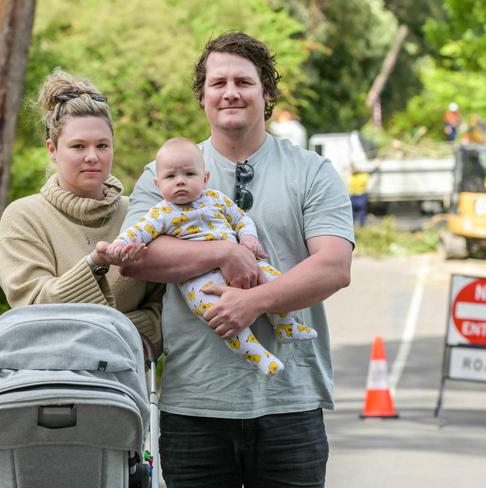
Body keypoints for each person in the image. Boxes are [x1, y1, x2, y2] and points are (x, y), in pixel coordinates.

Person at [108, 32, 353, 487]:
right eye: (218, 82)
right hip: (195, 406)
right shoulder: (166, 171)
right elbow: (136, 258)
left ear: (266, 92)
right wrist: (224, 250)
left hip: (291, 403)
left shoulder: (311, 171)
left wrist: (255, 301)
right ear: (202, 95)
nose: (231, 92)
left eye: (244, 81)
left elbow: (334, 266)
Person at [107, 137, 317, 377]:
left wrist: (248, 238)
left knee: (272, 278)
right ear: (157, 184)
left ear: (204, 178)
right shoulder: (161, 212)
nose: (180, 182)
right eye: (170, 177)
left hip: (246, 262)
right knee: (220, 315)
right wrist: (119, 245)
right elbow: (139, 232)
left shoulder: (215, 199)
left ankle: (285, 325)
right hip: (200, 281)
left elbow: (241, 219)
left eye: (189, 174)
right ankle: (256, 354)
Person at [0, 69, 163, 353]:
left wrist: (109, 335)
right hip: (51, 382)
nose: (93, 157)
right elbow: (34, 311)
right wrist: (94, 264)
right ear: (52, 149)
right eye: (78, 146)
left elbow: (166, 308)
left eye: (102, 145)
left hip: (127, 383)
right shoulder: (24, 217)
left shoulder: (140, 213)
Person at [348, 162, 378, 227]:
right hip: (361, 197)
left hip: (353, 197)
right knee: (362, 212)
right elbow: (371, 172)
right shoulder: (363, 177)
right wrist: (377, 166)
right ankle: (362, 226)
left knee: (353, 214)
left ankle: (352, 226)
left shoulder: (351, 178)